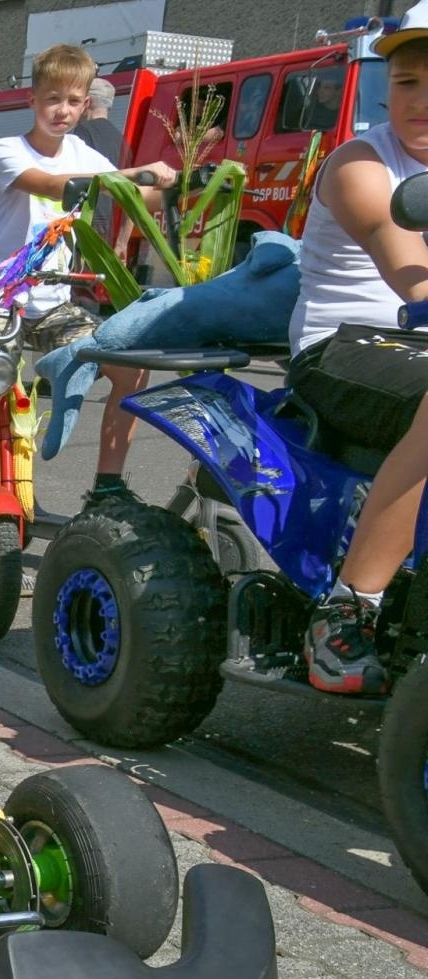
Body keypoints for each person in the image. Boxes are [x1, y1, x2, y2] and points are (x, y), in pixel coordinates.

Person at [282, 6, 428, 695]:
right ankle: (348, 611)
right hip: (343, 347)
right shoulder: (361, 165)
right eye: (407, 81)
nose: (421, 99)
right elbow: (411, 273)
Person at [0, 44, 175, 503]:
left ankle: (107, 486)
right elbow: (54, 187)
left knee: (130, 371)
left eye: (73, 101)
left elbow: (132, 199)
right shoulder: (7, 149)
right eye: (52, 99)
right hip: (1, 299)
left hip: (55, 302)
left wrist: (185, 188)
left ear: (85, 104)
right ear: (33, 101)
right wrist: (139, 171)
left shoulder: (83, 152)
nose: (62, 111)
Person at [74, 77, 123, 240]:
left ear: (87, 102)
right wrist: (122, 242)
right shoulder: (122, 139)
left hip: (86, 223)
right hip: (110, 228)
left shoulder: (82, 133)